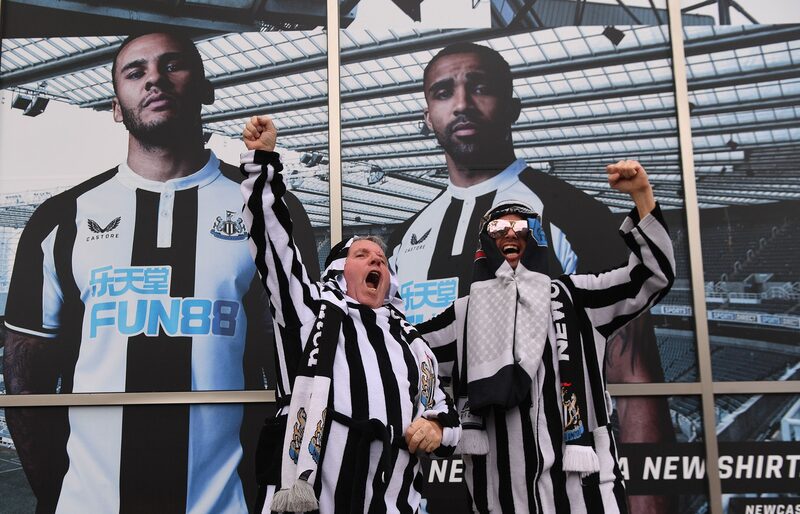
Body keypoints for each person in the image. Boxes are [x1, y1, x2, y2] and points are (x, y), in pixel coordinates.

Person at [2, 32, 318, 514]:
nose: (154, 78)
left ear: (205, 88)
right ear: (115, 106)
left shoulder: (269, 209)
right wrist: (55, 496)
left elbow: (303, 363)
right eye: (135, 71)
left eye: (173, 65)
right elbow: (26, 378)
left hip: (228, 504)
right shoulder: (61, 219)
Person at [387, 42, 675, 512]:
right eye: (443, 92)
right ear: (428, 116)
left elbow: (636, 383)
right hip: (424, 490)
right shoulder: (405, 238)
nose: (461, 104)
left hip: (546, 490)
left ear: (513, 108)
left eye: (479, 87)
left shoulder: (577, 217)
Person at [417, 159, 675, 512]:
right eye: (498, 228)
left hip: (587, 496)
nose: (510, 233)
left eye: (522, 226)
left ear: (537, 239)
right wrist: (440, 421)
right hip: (501, 499)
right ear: (485, 245)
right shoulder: (463, 315)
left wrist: (642, 196)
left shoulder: (577, 297)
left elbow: (651, 276)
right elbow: (405, 355)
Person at [240, 115, 461, 513]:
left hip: (395, 503)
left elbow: (443, 411)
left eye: (382, 258)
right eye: (362, 255)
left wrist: (435, 428)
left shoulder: (409, 340)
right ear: (339, 270)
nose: (376, 260)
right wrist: (264, 165)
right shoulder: (309, 310)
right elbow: (274, 249)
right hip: (317, 503)